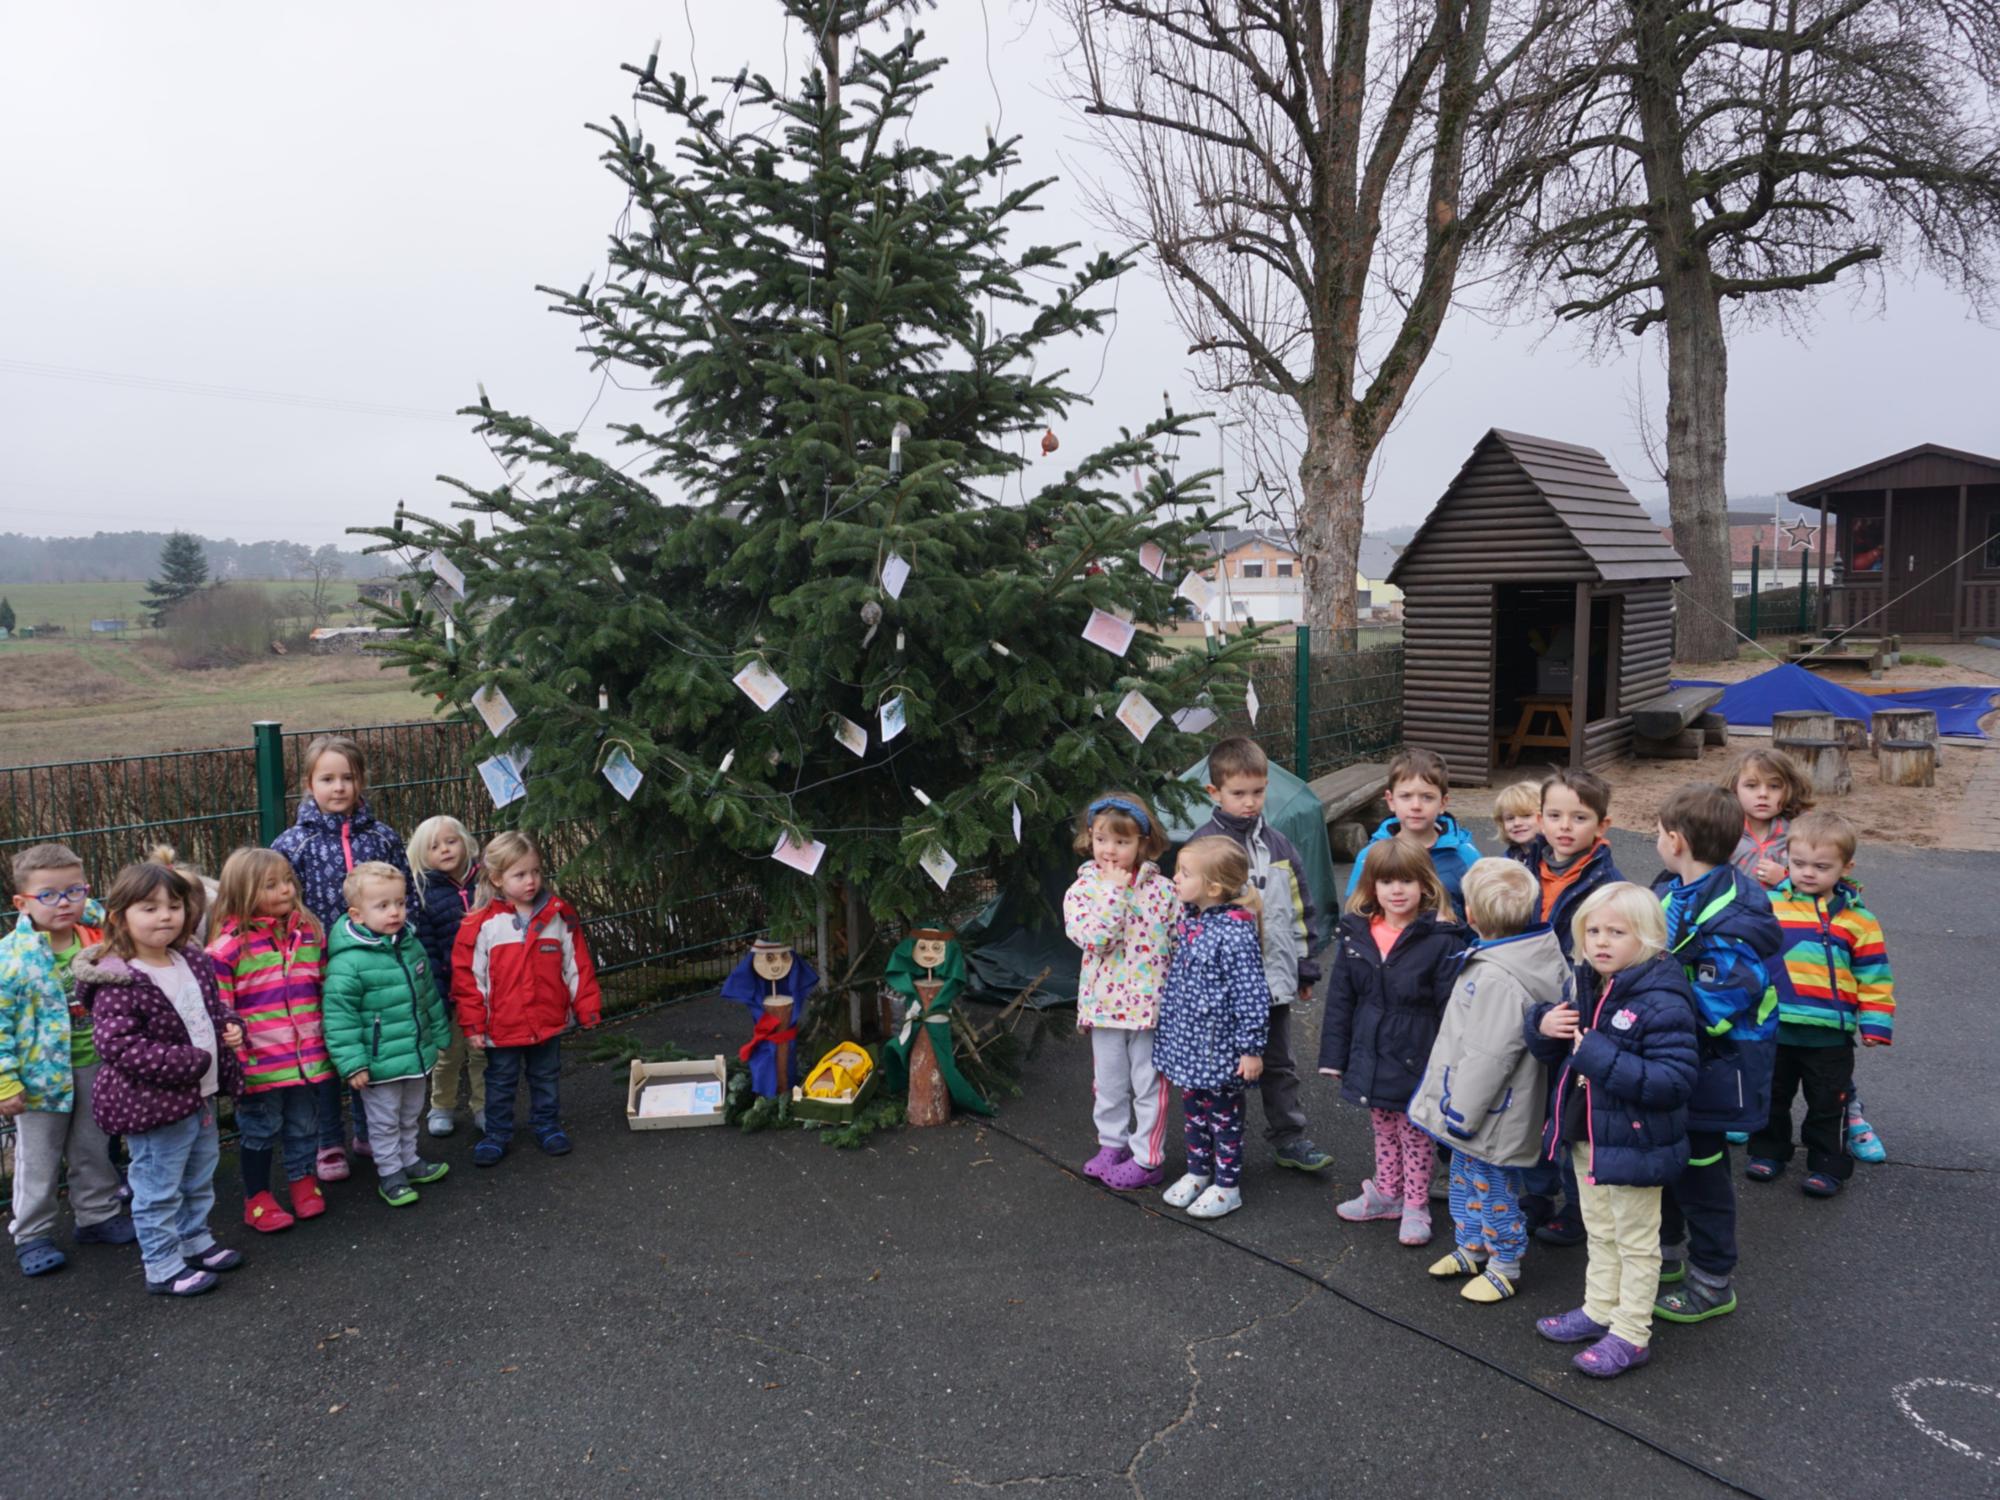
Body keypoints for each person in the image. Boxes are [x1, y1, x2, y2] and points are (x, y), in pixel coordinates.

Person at [1527, 882, 1699, 1379]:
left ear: (1647, 937)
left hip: (1636, 1144)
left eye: (1617, 932)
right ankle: (1599, 1307)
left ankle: (1631, 1332)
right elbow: (1561, 1053)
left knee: (1636, 1241)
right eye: (1593, 930)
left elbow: (1675, 1081)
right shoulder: (1590, 983)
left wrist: (1597, 1056)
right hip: (1591, 1136)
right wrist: (1542, 1025)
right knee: (1600, 1230)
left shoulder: (1662, 1000)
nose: (1602, 942)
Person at [73, 861, 246, 1298]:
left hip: (200, 1095)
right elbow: (120, 1046)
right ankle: (162, 1264)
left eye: (174, 906)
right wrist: (188, 1061)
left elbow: (208, 1006)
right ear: (118, 917)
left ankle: (194, 1239)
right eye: (149, 908)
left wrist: (228, 1023)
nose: (165, 916)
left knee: (199, 1174)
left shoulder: (190, 958)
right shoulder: (120, 979)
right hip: (153, 1104)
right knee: (157, 1187)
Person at [1649, 784, 1782, 1326]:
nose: (1655, 840)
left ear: (1676, 841)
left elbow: (1720, 999)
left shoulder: (1733, 918)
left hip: (1716, 1065)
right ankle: (1669, 1255)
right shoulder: (1677, 889)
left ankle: (1712, 1280)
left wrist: (1651, 1013)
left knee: (1703, 1175)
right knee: (1671, 1162)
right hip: (1683, 1059)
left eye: (1658, 833)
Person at [1409, 858, 1568, 1303]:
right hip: (1484, 1106)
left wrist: (1461, 1112)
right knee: (1465, 1177)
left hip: (1486, 1110)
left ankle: (1505, 1263)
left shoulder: (1497, 975)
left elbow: (1488, 1056)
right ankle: (1471, 1246)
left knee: (1493, 1187)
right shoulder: (1528, 953)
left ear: (1472, 916)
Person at [271, 734, 415, 1182]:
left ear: (361, 782)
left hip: (375, 965)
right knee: (327, 1054)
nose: (338, 788)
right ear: (308, 783)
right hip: (318, 966)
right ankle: (328, 1140)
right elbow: (278, 905)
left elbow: (405, 894)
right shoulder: (292, 844)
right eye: (327, 778)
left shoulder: (383, 837)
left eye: (347, 778)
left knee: (370, 1047)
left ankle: (371, 1131)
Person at [1187, 737, 1332, 1173]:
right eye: (1239, 793)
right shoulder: (1201, 849)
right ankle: (1221, 1141)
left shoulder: (1281, 846)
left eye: (1258, 791)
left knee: (1278, 1063)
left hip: (1270, 982)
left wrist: (1305, 968)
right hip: (1220, 990)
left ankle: (1289, 1138)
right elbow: (1185, 920)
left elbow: (1301, 908)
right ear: (1214, 793)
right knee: (1222, 1068)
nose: (1250, 802)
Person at [1320, 839, 1472, 1247]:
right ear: (1372, 887)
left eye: (1406, 880)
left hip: (1417, 1053)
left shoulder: (1442, 940)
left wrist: (1449, 1065)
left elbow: (1450, 1010)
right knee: (1383, 1126)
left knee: (1416, 1133)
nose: (1396, 890)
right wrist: (1335, 1056)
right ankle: (1388, 1192)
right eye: (1386, 881)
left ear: (1425, 885)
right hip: (1370, 1052)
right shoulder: (1358, 933)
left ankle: (1416, 1204)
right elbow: (1341, 999)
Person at [1747, 810, 1894, 1198]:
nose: (1808, 873)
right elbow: (1749, 959)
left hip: (1829, 1033)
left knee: (1829, 1103)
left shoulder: (1858, 920)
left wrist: (1876, 1023)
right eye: (1798, 864)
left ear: (1846, 867)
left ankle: (1828, 1164)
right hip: (1776, 1025)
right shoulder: (1769, 905)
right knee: (1771, 1096)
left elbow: (1874, 975)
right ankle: (1767, 1151)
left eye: (1821, 866)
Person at [2, 844, 132, 1277]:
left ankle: (97, 1215)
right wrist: (5, 1081)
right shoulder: (11, 958)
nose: (64, 903)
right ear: (21, 903)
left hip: (95, 1064)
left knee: (93, 1147)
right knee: (38, 1158)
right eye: (49, 895)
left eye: (74, 891)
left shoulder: (99, 938)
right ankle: (32, 1233)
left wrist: (95, 912)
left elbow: (117, 923)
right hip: (39, 1079)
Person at [1514, 768, 1623, 1248]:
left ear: (1602, 826)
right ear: (1539, 819)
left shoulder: (1606, 884)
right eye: (1555, 815)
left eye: (1579, 817)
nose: (1564, 827)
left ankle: (1579, 1212)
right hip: (1522, 1002)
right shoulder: (1521, 865)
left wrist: (1577, 1011)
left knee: (1571, 1117)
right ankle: (1534, 1197)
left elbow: (1603, 958)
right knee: (1527, 1109)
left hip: (1569, 1013)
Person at [452, 832, 601, 1166]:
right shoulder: (482, 925)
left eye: (535, 872)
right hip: (502, 1024)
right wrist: (473, 1023)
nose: (531, 881)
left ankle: (547, 1125)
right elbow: (469, 980)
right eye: (520, 874)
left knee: (546, 1076)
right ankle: (497, 1133)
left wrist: (586, 1006)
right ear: (497, 879)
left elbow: (577, 964)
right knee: (501, 1081)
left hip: (547, 1019)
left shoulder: (558, 916)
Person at [206, 848, 331, 1232]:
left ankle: (302, 1180)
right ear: (243, 892)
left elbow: (324, 985)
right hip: (259, 1061)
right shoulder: (227, 949)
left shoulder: (309, 933)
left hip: (307, 1055)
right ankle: (257, 1197)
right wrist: (233, 1045)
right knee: (260, 1129)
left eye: (288, 881)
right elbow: (220, 1007)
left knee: (304, 1123)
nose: (286, 891)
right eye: (271, 885)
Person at [1062, 792, 1178, 1190]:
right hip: (1105, 1008)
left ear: (1143, 843)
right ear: (1089, 838)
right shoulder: (1082, 892)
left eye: (1122, 842)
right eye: (1101, 840)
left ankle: (1149, 1157)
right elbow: (1095, 939)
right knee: (1108, 1084)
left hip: (1150, 1010)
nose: (1110, 850)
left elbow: (1180, 943)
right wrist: (1111, 892)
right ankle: (1112, 1144)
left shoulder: (1164, 891)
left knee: (1149, 1085)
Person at [1152, 836, 1271, 1221]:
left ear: (1214, 887)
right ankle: (1199, 1171)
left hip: (1219, 1048)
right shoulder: (1192, 919)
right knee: (1194, 1113)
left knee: (1224, 1116)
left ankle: (1227, 1184)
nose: (1175, 879)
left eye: (1184, 873)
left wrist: (1251, 1049)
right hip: (1190, 1045)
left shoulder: (1234, 933)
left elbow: (1251, 994)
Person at [322, 863, 450, 1208]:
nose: (395, 912)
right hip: (378, 1062)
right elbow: (339, 1018)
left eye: (400, 903)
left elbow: (427, 994)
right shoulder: (348, 962)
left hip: (415, 1052)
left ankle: (409, 1160)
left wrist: (439, 1033)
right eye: (383, 906)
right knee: (383, 1121)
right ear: (357, 914)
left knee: (410, 1113)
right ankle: (391, 1173)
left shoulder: (408, 945)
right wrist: (353, 1064)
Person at [407, 815, 484, 1139]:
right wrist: (437, 993)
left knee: (483, 1052)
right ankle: (441, 1106)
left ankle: (484, 1106)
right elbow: (427, 947)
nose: (445, 849)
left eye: (451, 841)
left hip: (485, 985)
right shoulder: (423, 893)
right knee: (447, 1053)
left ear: (465, 841)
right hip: (450, 988)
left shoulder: (487, 882)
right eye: (434, 846)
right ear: (422, 855)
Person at [1343, 747, 1481, 908]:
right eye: (1406, 796)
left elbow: (1484, 919)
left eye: (1427, 797)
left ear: (1443, 803)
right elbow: (1355, 917)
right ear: (1391, 800)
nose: (1416, 806)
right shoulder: (1370, 856)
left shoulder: (1466, 856)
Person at [1723, 747, 1815, 890]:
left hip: (1785, 911)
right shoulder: (1722, 830)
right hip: (1732, 910)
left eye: (1774, 786)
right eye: (1751, 786)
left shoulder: (1804, 831)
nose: (1763, 794)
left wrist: (1787, 879)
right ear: (1734, 788)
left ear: (1791, 789)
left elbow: (1824, 880)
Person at [1493, 781, 1543, 862]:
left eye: (1526, 815)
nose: (1517, 823)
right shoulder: (1508, 860)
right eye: (1510, 818)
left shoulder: (1557, 858)